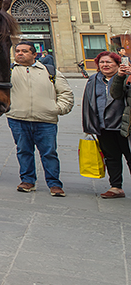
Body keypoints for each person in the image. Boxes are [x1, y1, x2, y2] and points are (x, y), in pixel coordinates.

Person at [8, 42, 74, 196]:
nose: (19, 54)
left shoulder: (49, 71)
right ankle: (27, 181)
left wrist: (57, 109)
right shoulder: (8, 72)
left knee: (49, 153)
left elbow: (66, 93)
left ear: (34, 54)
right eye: (17, 51)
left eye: (24, 51)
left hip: (45, 121)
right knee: (23, 151)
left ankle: (54, 184)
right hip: (18, 118)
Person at [83, 51, 131, 199]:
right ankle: (116, 187)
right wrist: (89, 125)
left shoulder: (126, 78)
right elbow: (88, 103)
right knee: (111, 157)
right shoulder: (93, 80)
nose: (105, 65)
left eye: (109, 62)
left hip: (125, 126)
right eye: (102, 62)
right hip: (104, 126)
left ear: (118, 65)